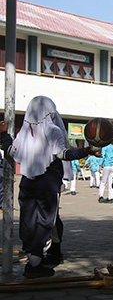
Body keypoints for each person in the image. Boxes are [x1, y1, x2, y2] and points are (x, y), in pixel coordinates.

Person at [0, 96, 95, 278]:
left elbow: (11, 151)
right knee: (45, 222)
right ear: (51, 111)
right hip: (48, 184)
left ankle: (33, 259)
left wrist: (4, 135)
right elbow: (63, 154)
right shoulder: (53, 130)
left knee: (28, 222)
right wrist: (85, 151)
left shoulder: (24, 133)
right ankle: (35, 263)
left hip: (27, 183)